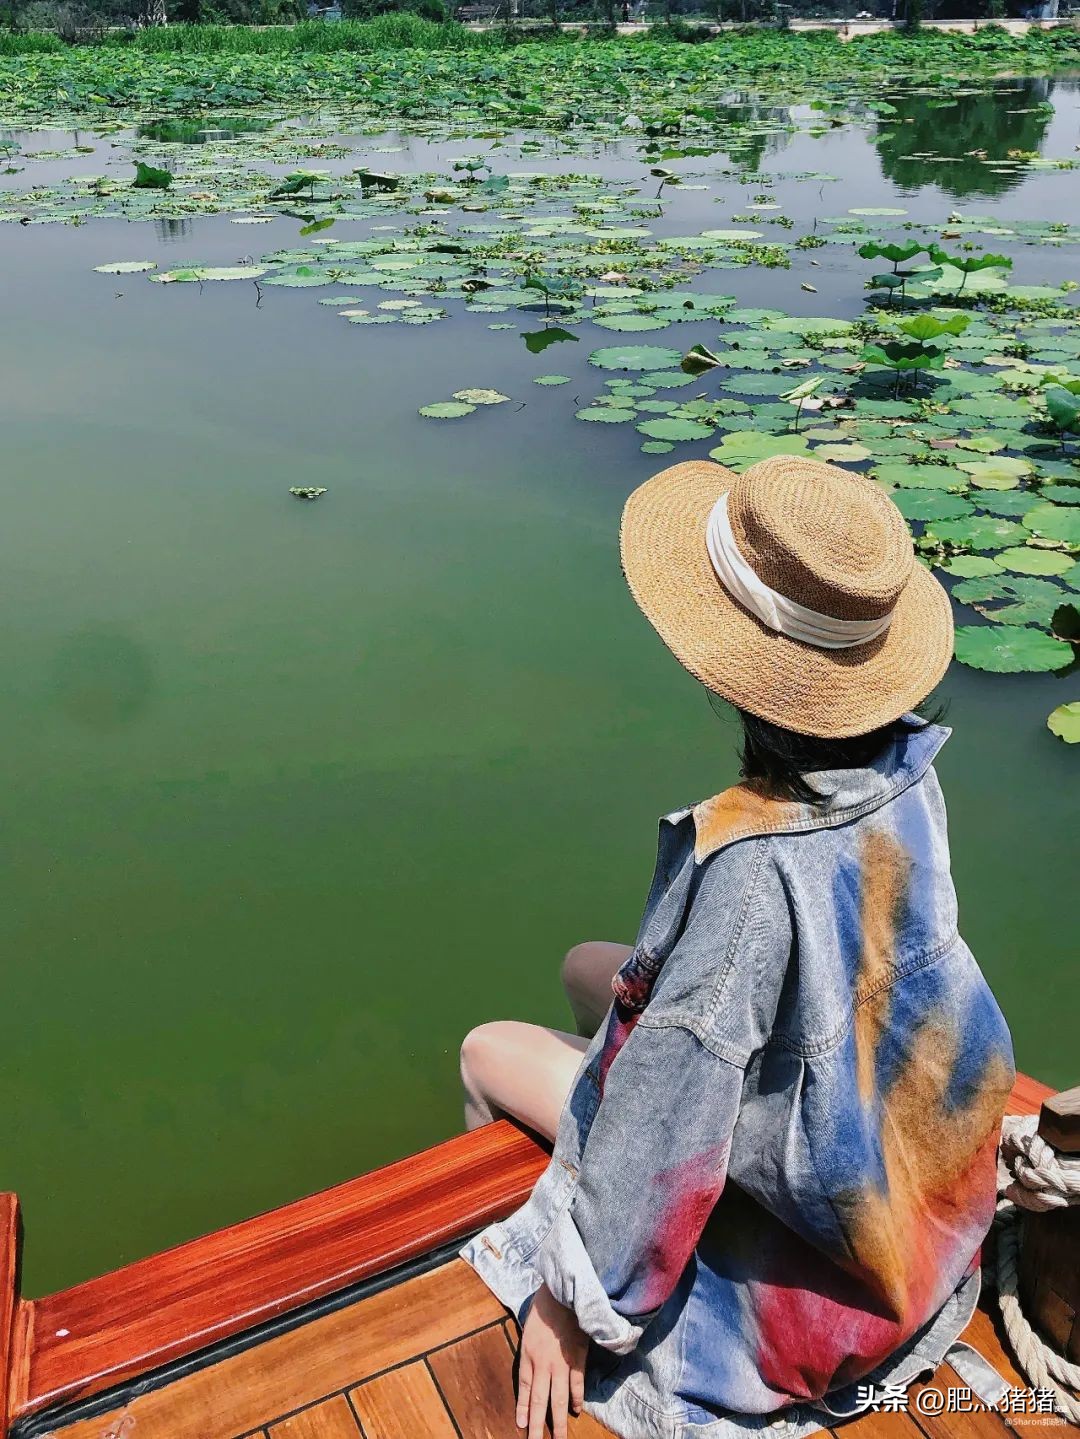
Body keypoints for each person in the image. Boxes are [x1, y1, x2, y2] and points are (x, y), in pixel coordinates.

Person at [460, 457, 1015, 1439]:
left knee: (486, 1048)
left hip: (835, 1262)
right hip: (920, 1203)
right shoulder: (907, 769)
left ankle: (456, 1293)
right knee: (593, 965)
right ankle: (581, 1093)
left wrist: (568, 1293)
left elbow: (669, 1131)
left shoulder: (748, 868)